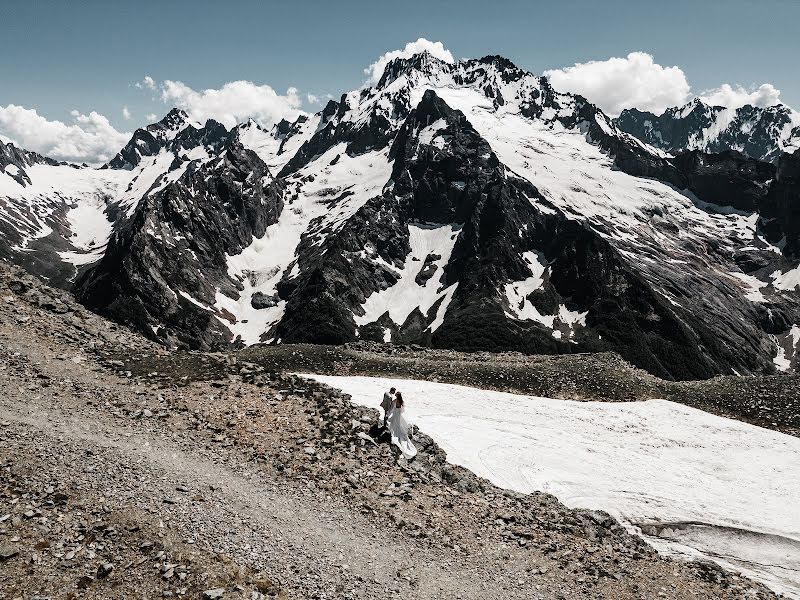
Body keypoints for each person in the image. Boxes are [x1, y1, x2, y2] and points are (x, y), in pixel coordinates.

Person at [386, 392, 417, 460]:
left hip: (396, 414)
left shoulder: (396, 401)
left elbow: (393, 408)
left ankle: (395, 433)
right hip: (399, 414)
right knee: (398, 425)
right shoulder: (401, 401)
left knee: (394, 425)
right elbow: (402, 409)